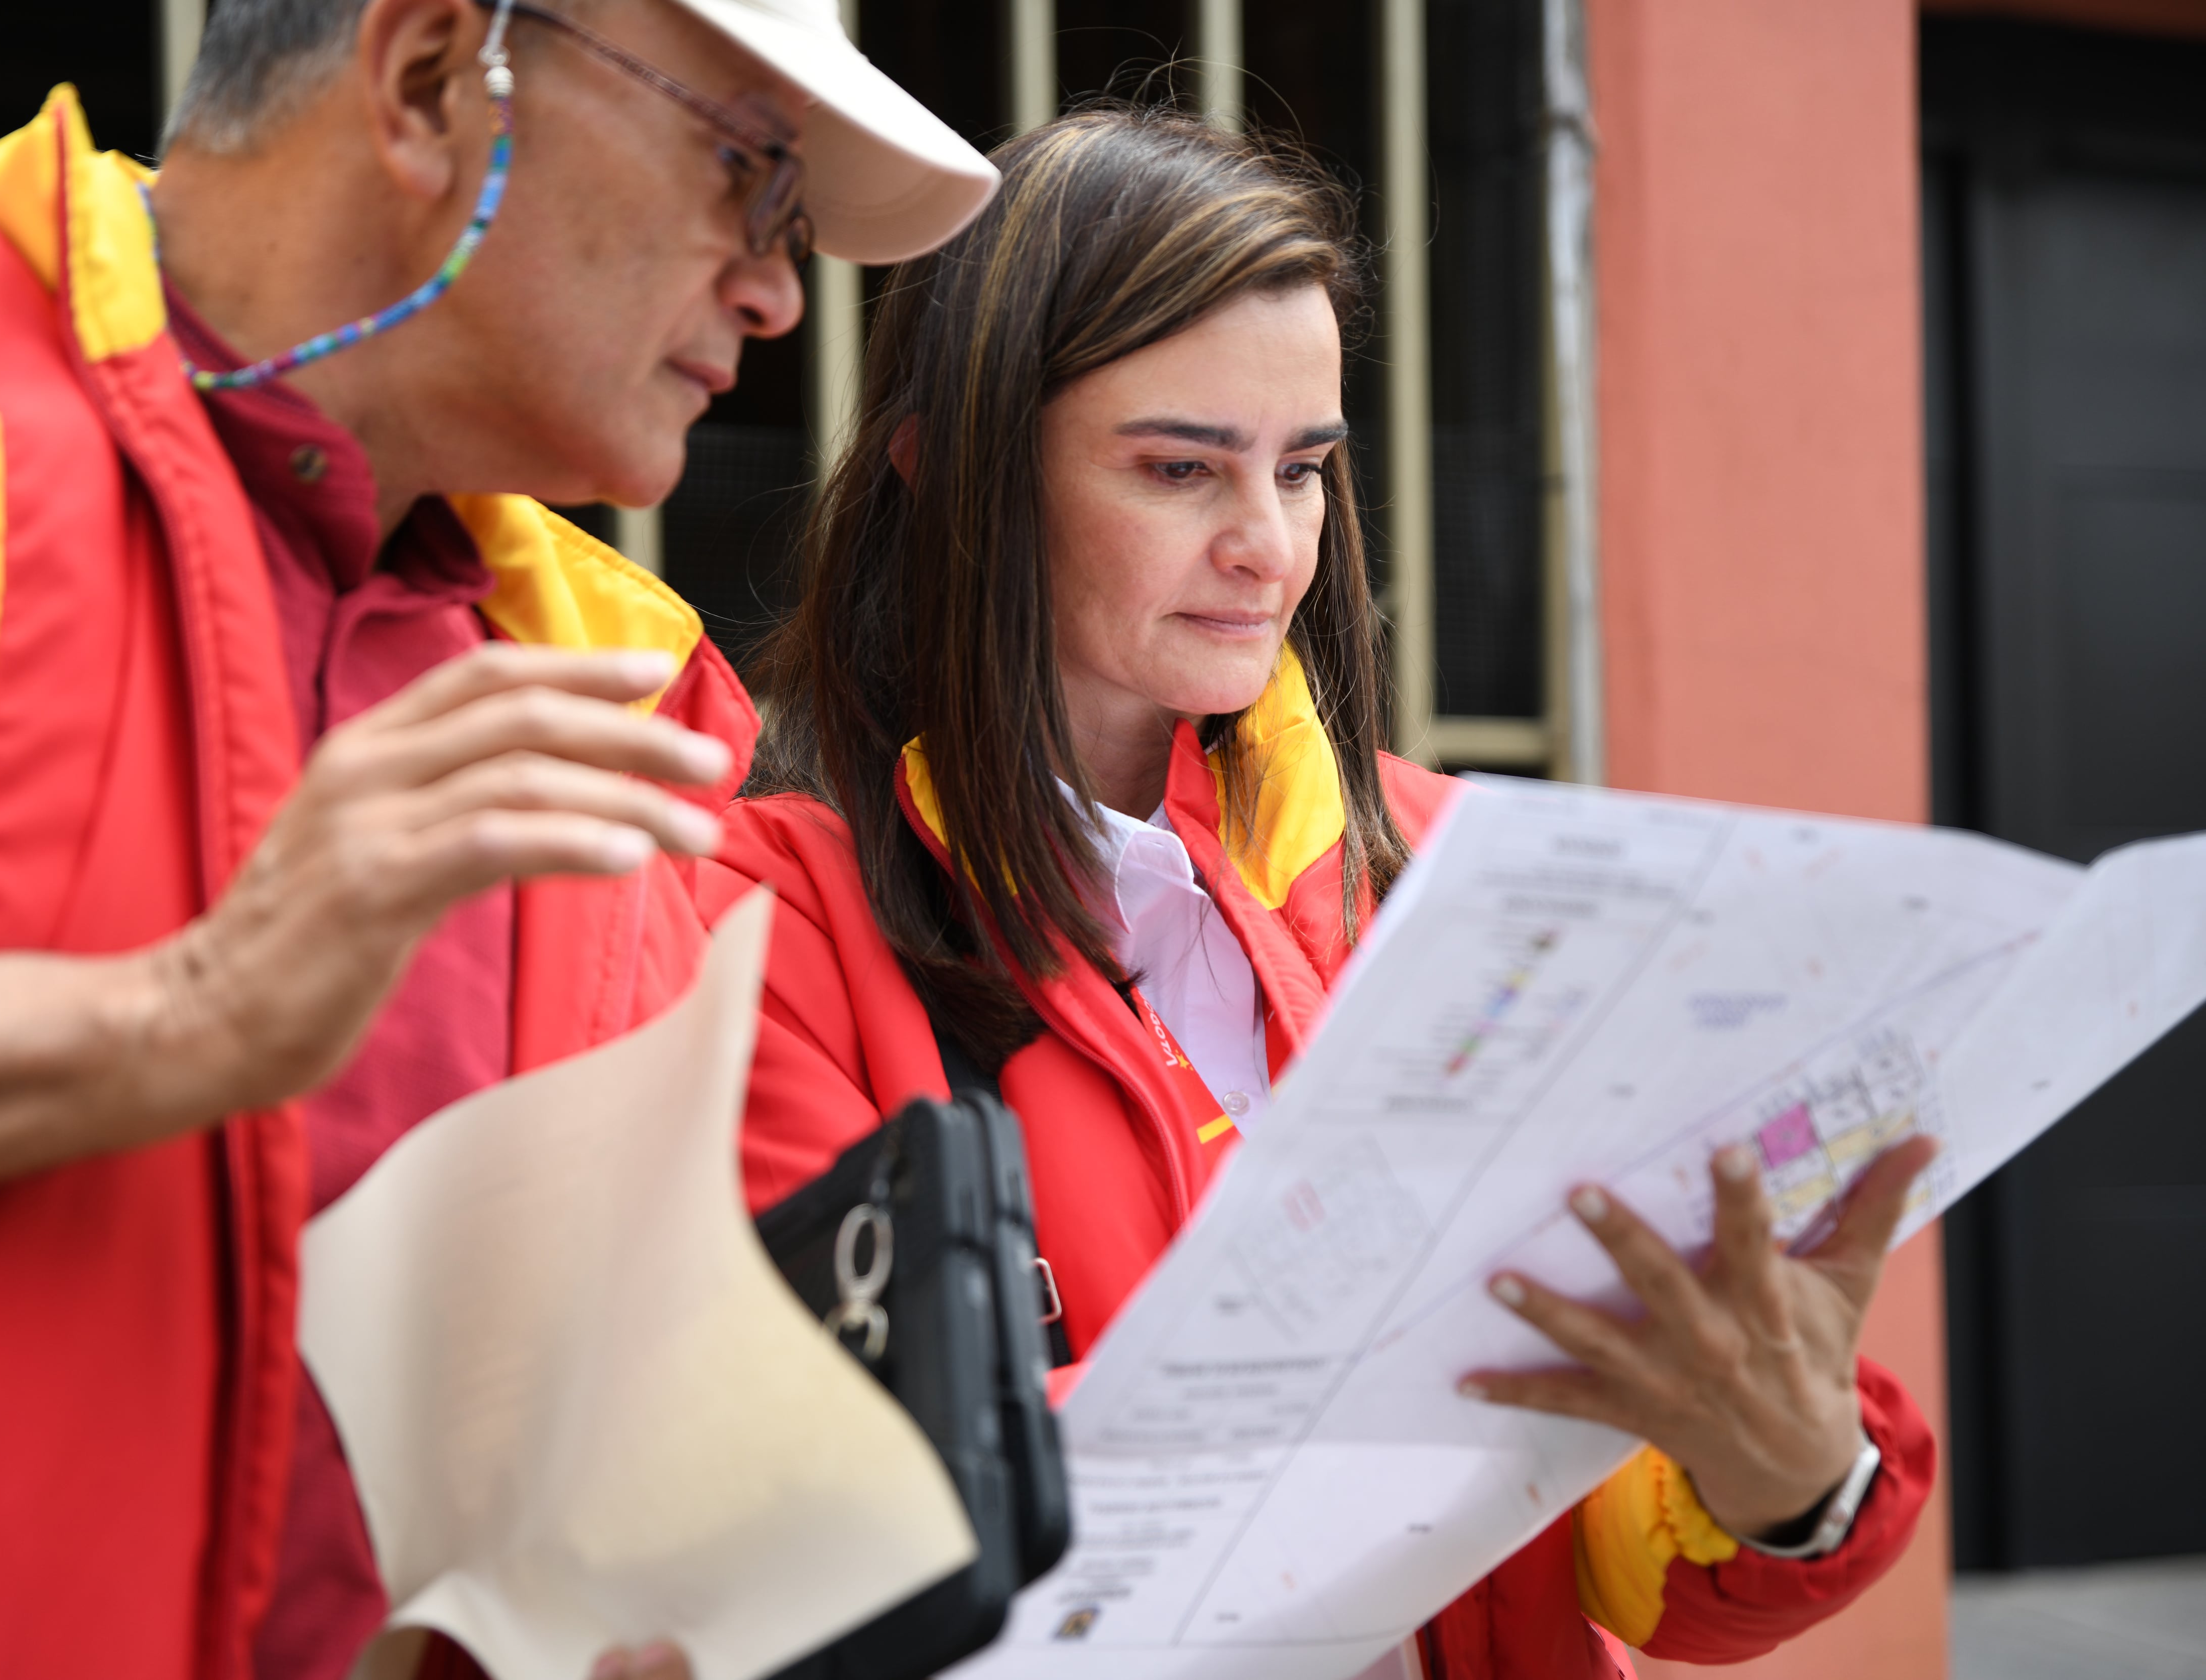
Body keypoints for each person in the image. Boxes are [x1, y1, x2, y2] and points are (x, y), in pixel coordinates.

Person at [0, 3, 994, 1677]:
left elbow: (731, 1459)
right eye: (748, 173)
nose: (779, 290)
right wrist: (180, 1024)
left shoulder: (630, 711)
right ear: (436, 74)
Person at [700, 107, 1937, 1679]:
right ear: (945, 463)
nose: (1268, 547)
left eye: (1304, 469)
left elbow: (1622, 1573)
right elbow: (838, 1528)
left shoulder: (1468, 875)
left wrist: (1789, 1481)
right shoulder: (764, 931)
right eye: (1179, 468)